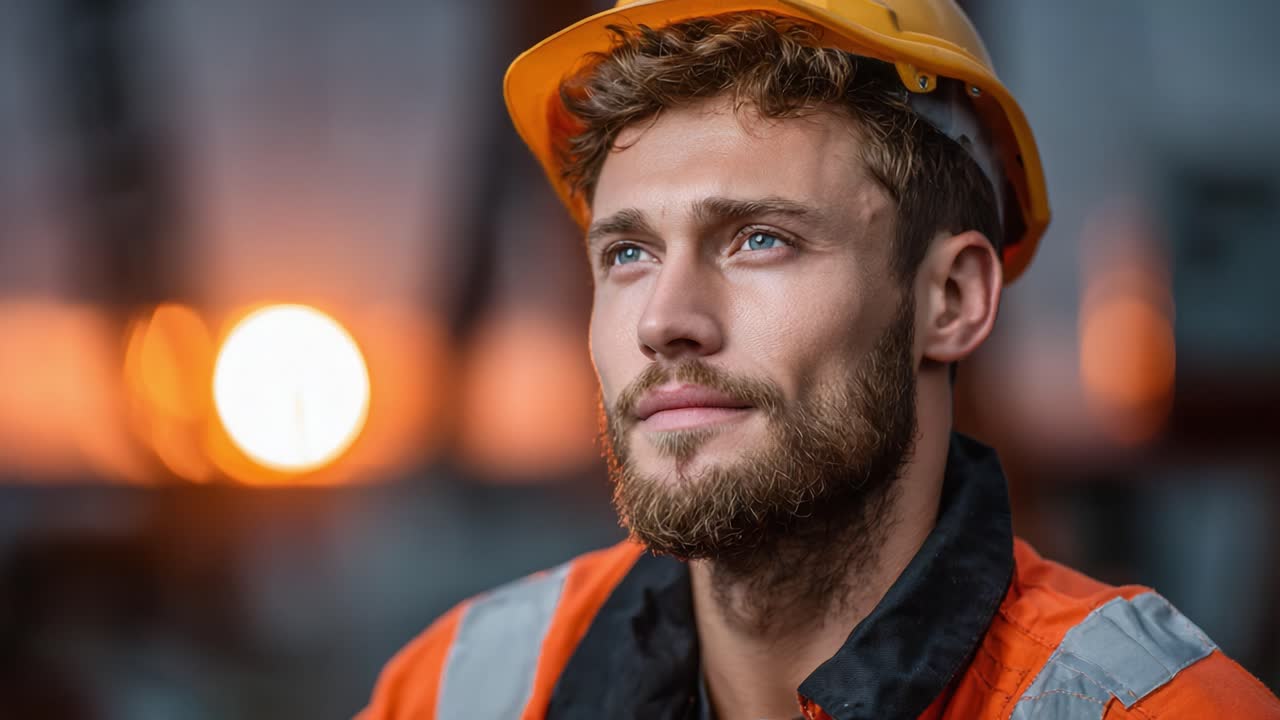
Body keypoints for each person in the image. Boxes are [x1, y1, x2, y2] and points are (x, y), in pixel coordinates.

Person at [359, 1, 1280, 718]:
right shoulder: (461, 689)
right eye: (628, 254)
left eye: (759, 238)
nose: (663, 321)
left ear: (951, 300)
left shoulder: (1148, 710)